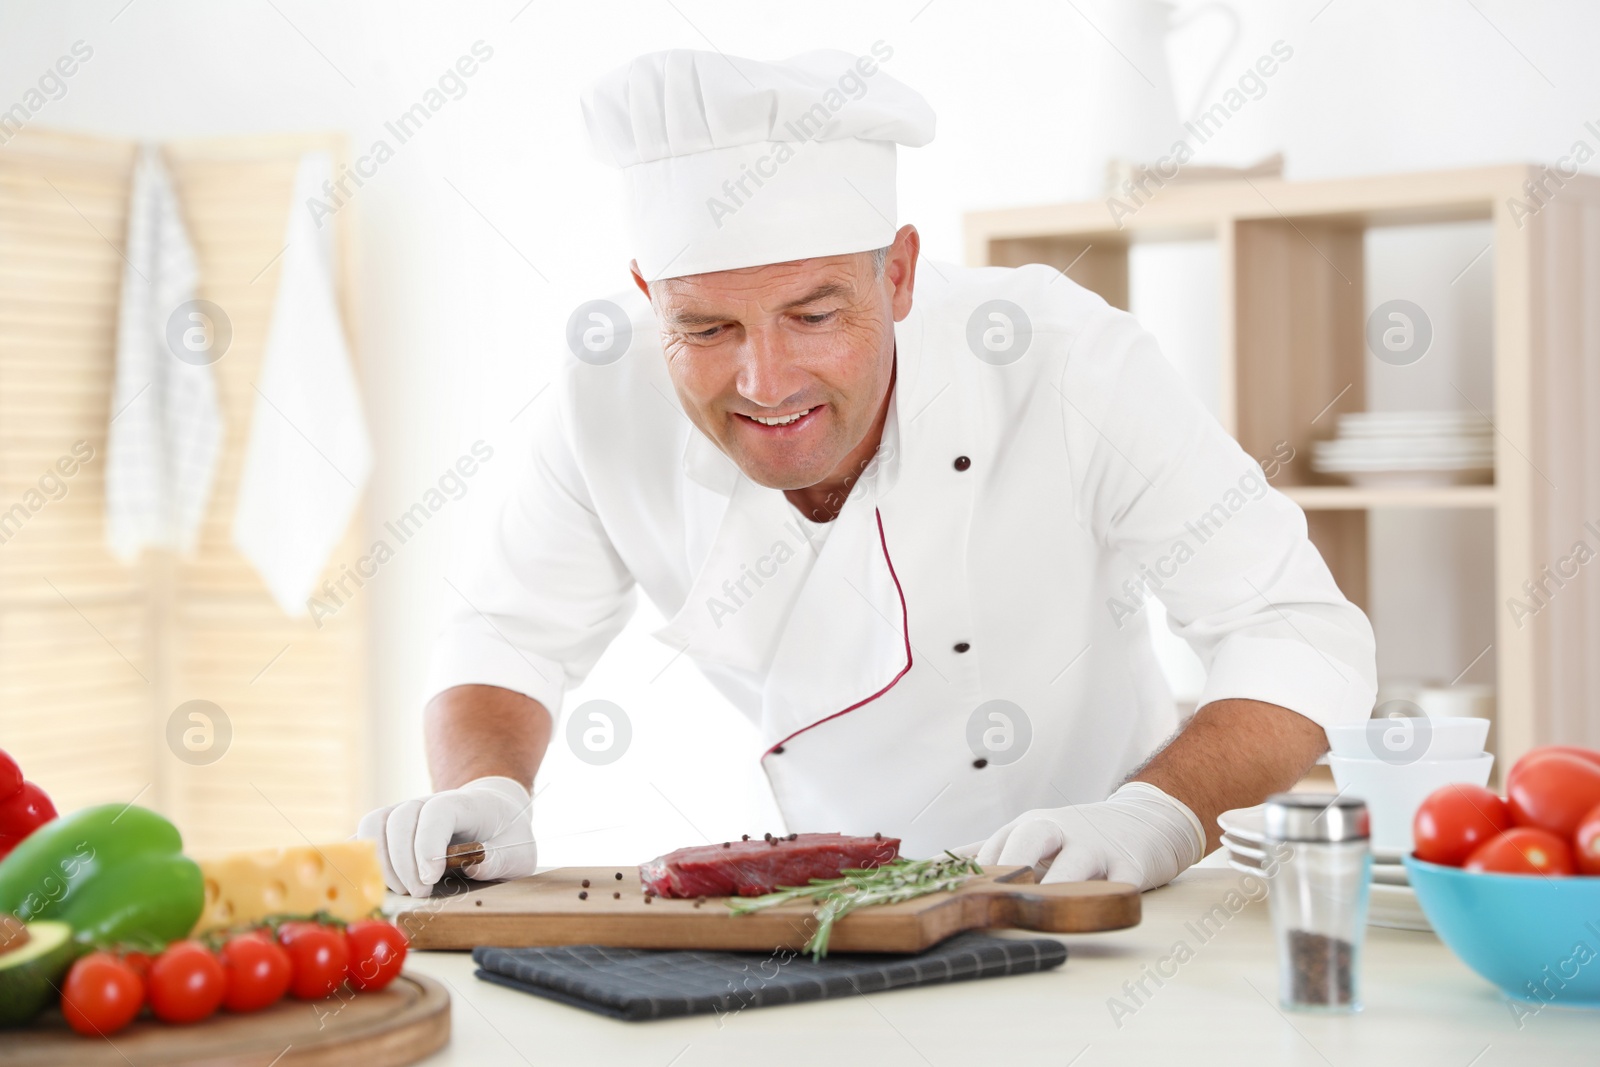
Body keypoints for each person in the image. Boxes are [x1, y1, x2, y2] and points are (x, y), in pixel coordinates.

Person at [359, 47, 1376, 897]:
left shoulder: (1063, 358)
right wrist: (487, 790)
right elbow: (506, 634)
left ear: (896, 272)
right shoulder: (606, 398)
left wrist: (1159, 812)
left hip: (1105, 900)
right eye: (706, 326)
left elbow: (1294, 631)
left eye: (812, 314)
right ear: (645, 295)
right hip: (837, 911)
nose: (764, 380)